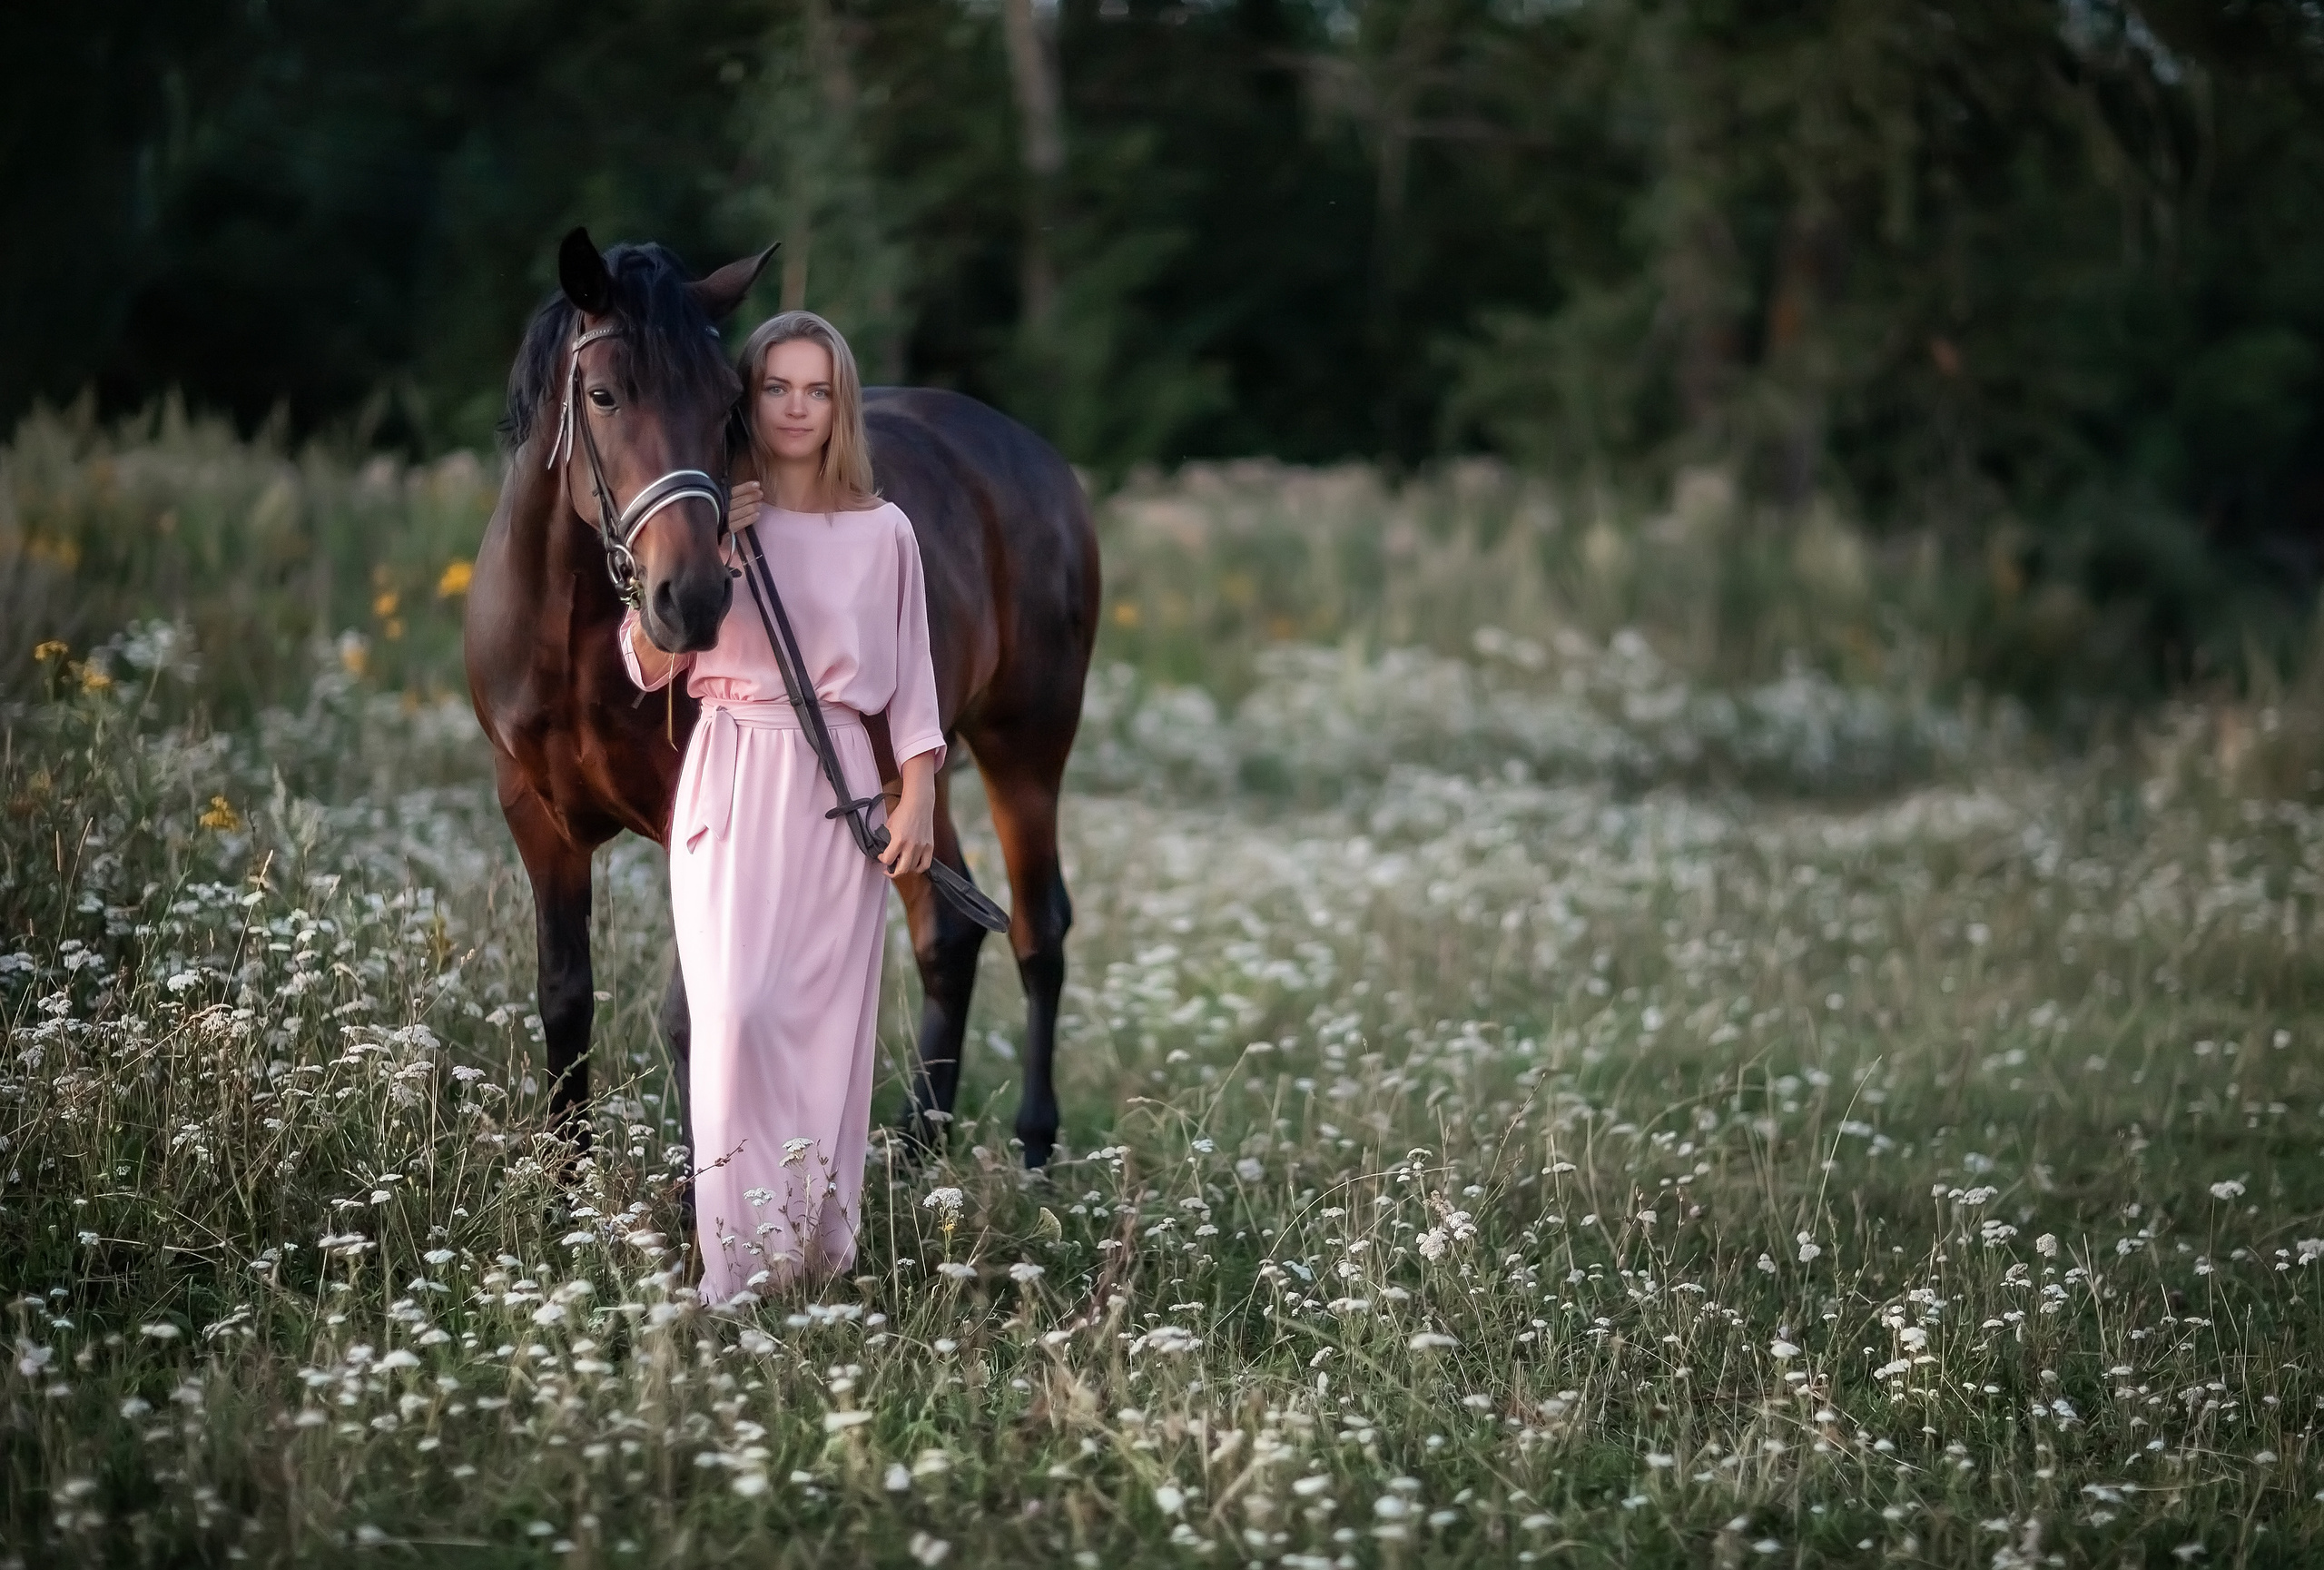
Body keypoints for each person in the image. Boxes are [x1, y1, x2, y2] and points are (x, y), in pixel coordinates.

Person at [620, 310, 943, 1304]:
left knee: (824, 1031)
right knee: (734, 1014)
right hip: (731, 774)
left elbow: (914, 682)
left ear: (840, 404)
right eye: (777, 388)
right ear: (748, 400)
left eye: (817, 390)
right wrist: (718, 546)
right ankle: (735, 1265)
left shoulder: (885, 531)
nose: (797, 408)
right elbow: (644, 662)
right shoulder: (713, 520)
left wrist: (920, 794)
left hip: (839, 787)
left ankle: (810, 1256)